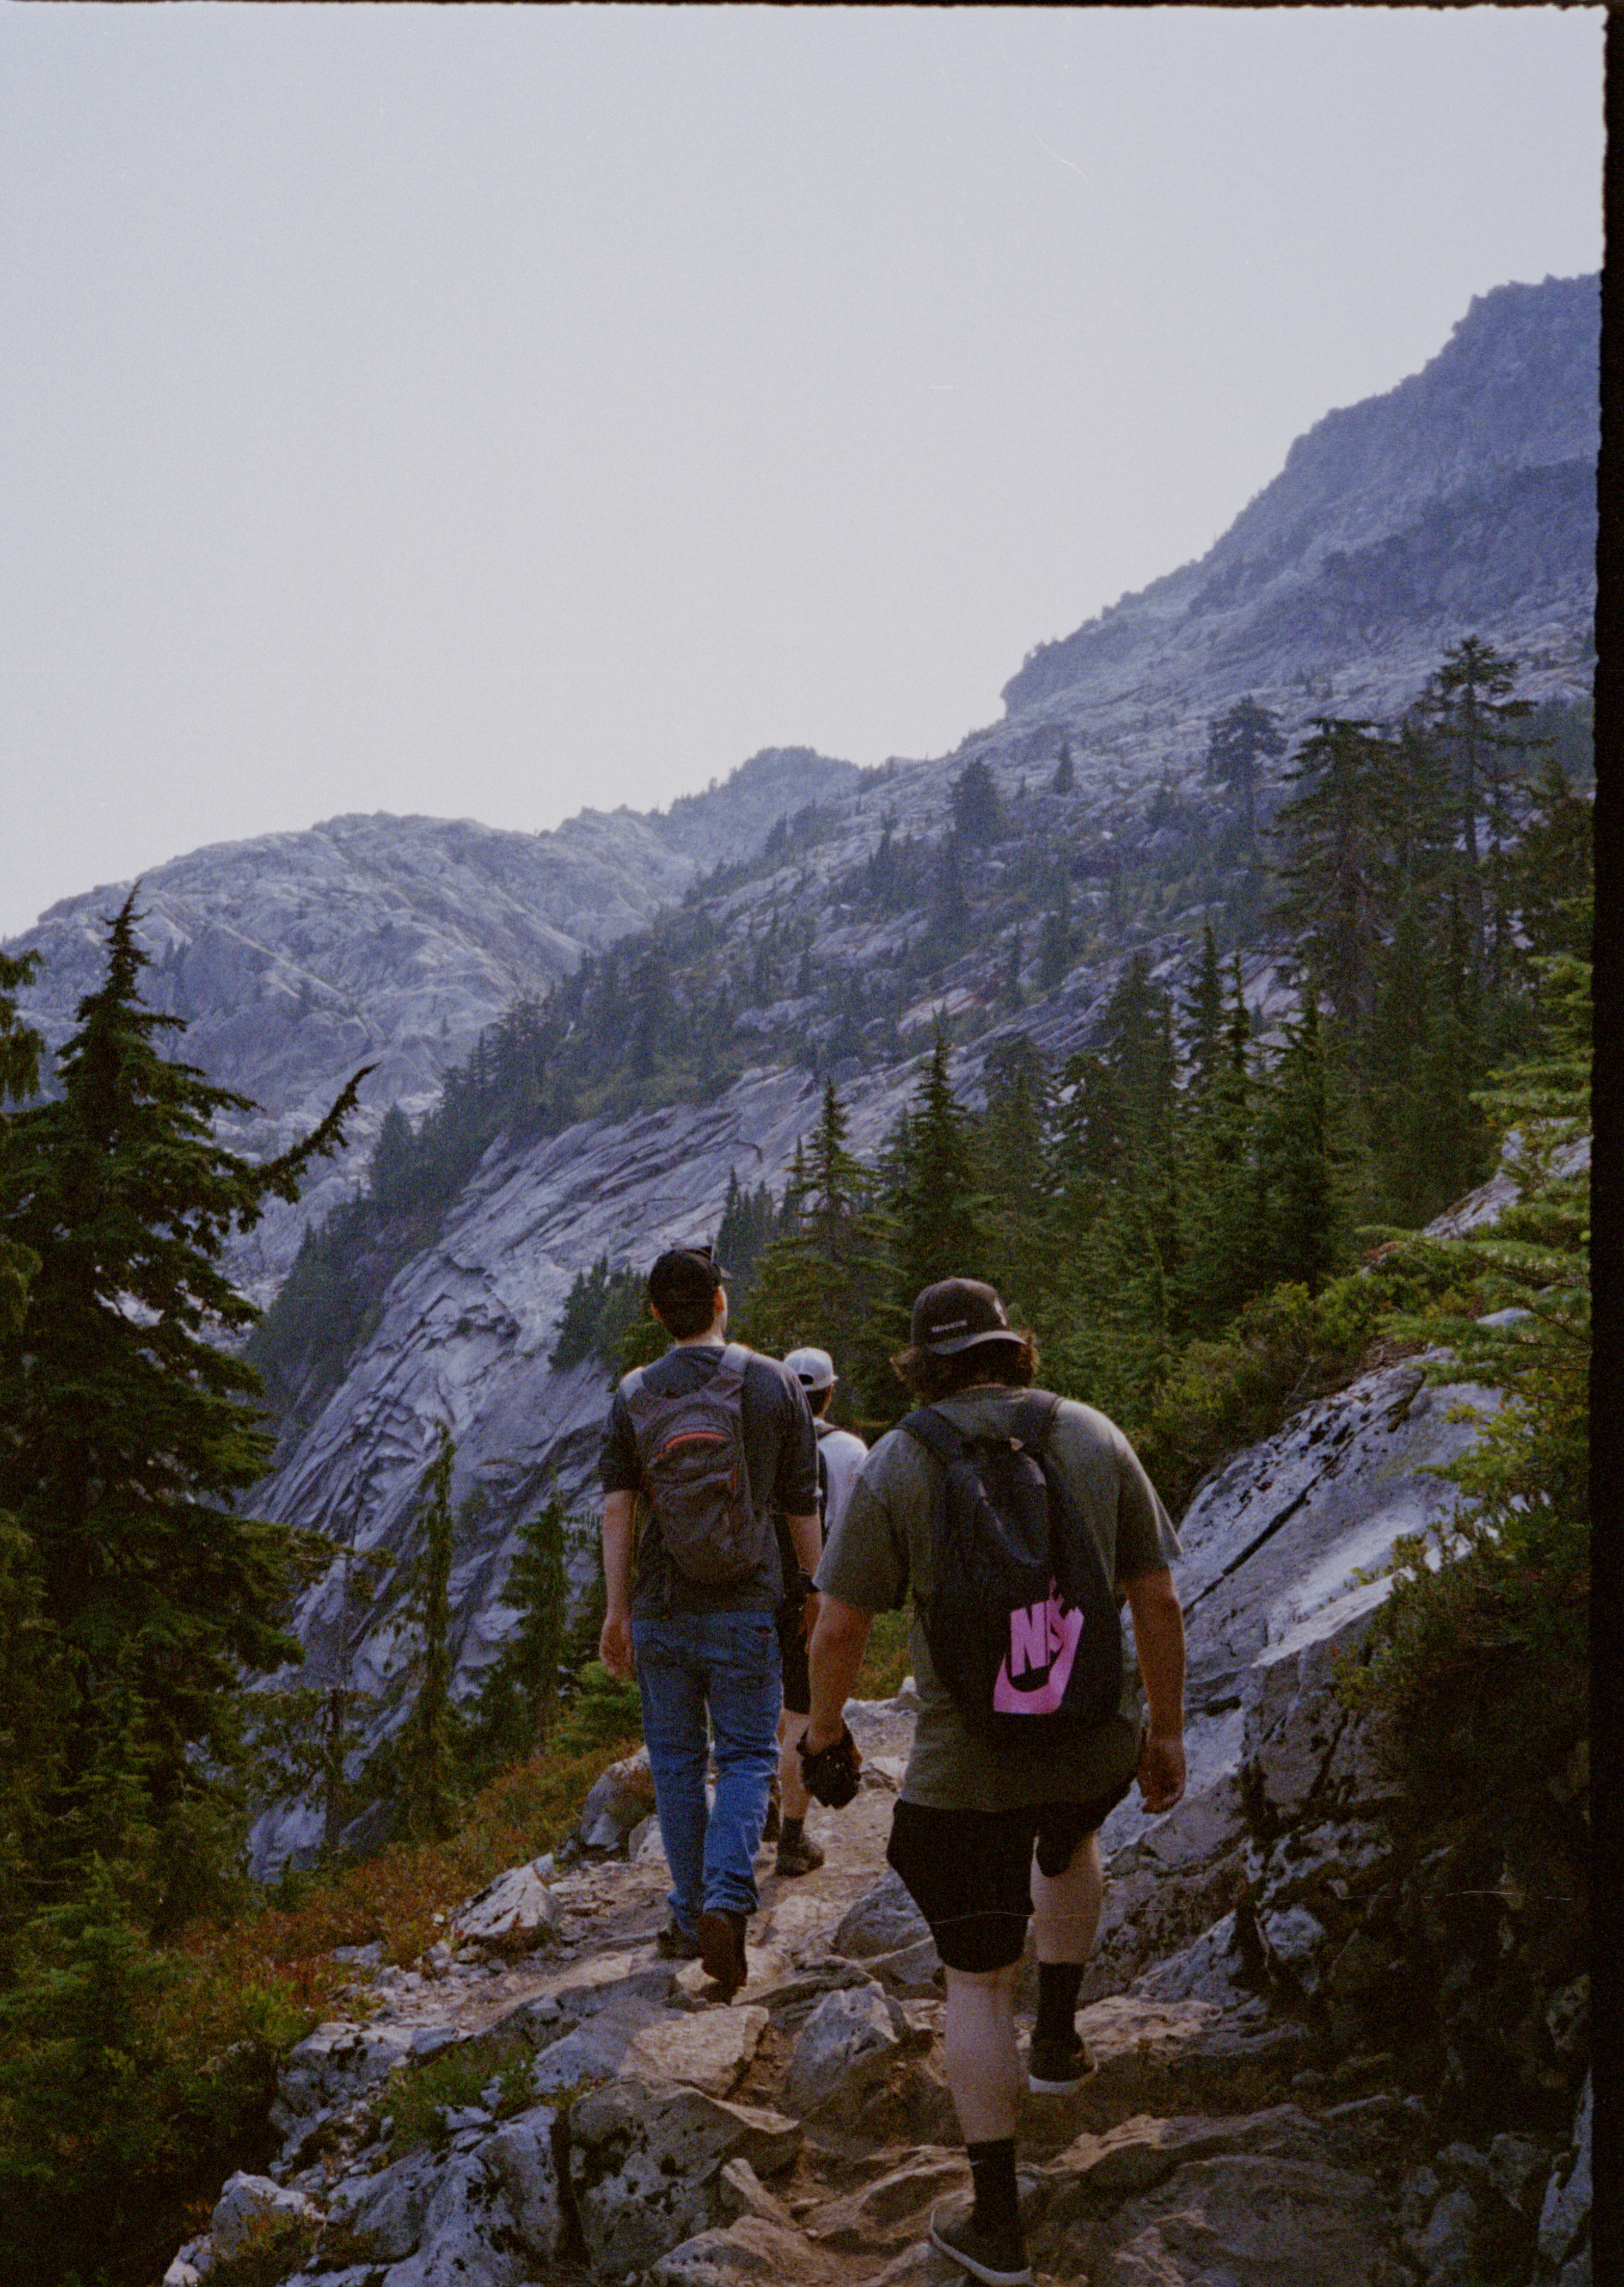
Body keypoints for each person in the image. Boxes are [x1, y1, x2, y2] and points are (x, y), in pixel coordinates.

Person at [803, 1277, 1186, 2287]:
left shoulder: (901, 1459)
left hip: (967, 1765)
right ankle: (1057, 2042)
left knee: (976, 1980)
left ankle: (998, 2223)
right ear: (1011, 1346)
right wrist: (1166, 1732)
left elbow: (839, 1627)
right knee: (1068, 1837)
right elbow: (1156, 1599)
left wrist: (827, 1735)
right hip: (1092, 1740)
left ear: (924, 1365)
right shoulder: (1091, 1434)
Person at [598, 1243, 822, 1996]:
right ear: (721, 1301)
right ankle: (726, 1899)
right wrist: (816, 1588)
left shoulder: (633, 1395)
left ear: (657, 1314)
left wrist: (617, 1611)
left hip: (661, 1612)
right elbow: (801, 1501)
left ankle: (691, 1914)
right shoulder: (774, 1382)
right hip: (745, 1604)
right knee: (749, 1757)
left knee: (676, 1764)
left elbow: (618, 1511)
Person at [768, 1347, 869, 1878]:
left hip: (758, 1591)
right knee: (804, 1714)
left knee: (768, 1707)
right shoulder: (850, 1450)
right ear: (830, 1392)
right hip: (819, 1593)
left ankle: (761, 1805)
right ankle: (792, 1837)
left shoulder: (762, 1444)